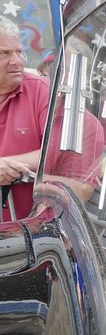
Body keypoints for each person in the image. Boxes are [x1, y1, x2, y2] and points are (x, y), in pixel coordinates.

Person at [0, 18, 46, 221]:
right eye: (4, 53)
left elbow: (59, 152)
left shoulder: (40, 90)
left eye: (19, 52)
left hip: (32, 237)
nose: (17, 61)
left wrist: (6, 165)